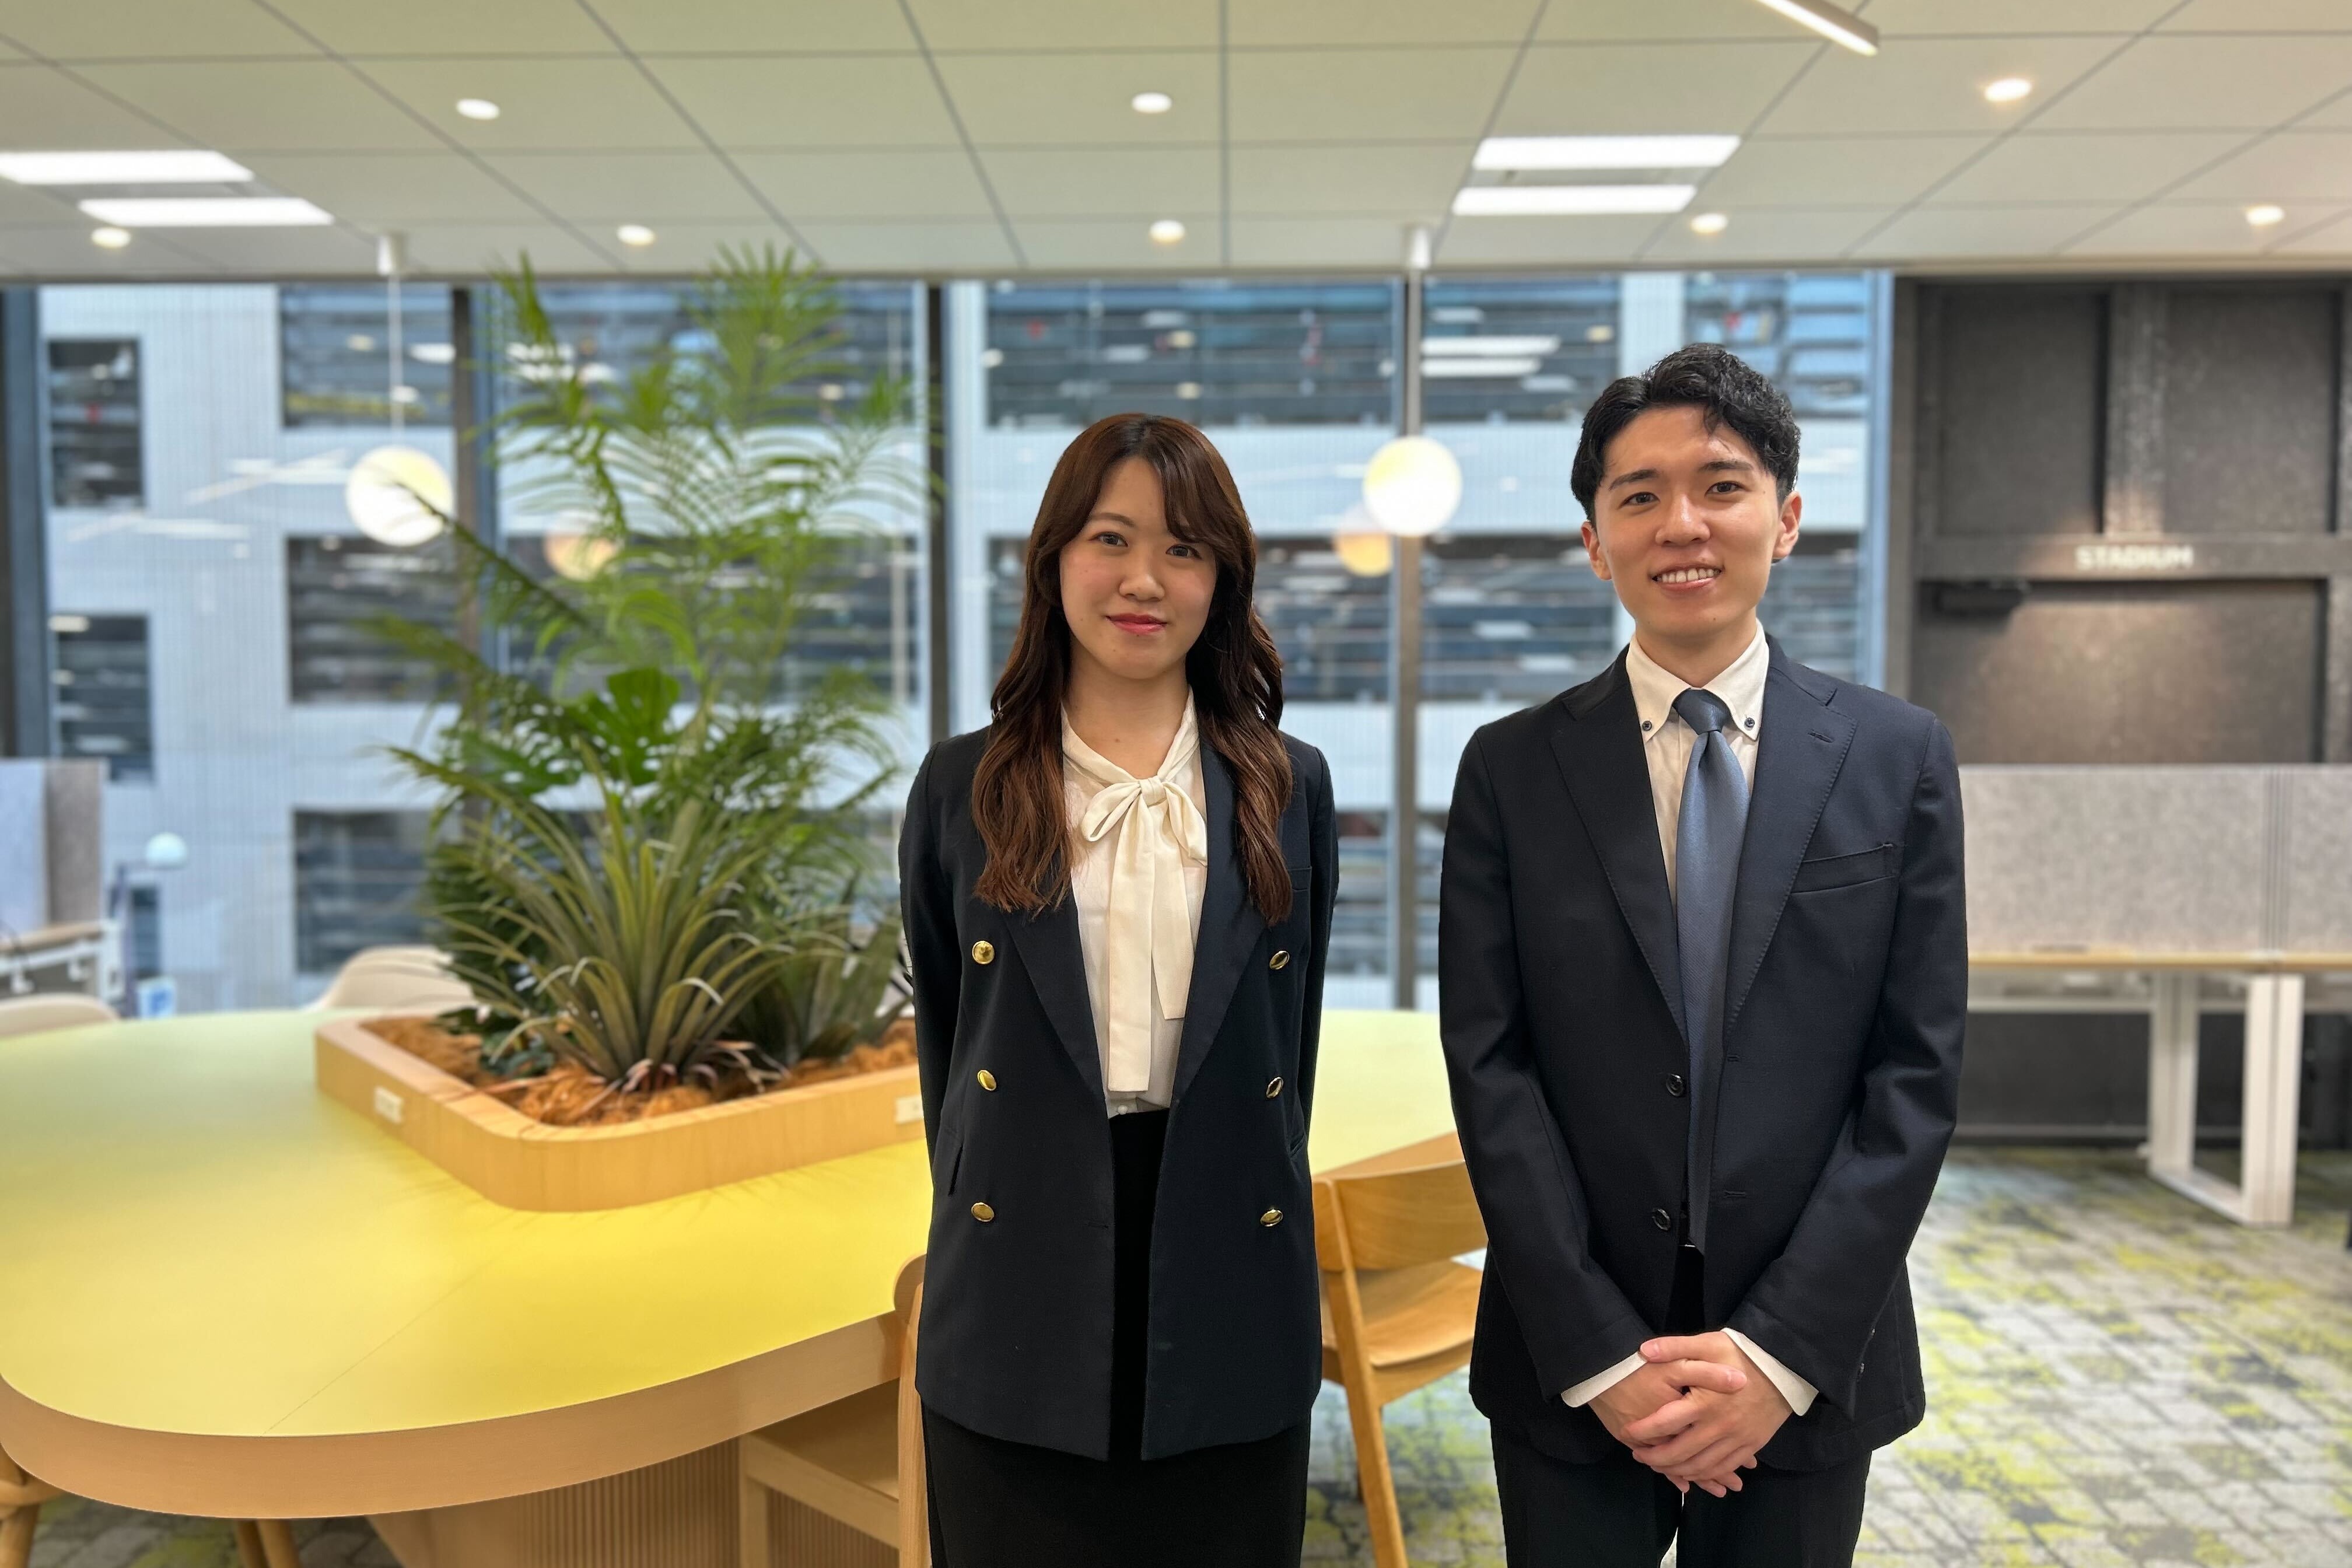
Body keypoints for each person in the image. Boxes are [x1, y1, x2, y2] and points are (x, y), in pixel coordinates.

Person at [1438, 344, 1966, 1567]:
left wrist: (1776, 1356)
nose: (1682, 524)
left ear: (1786, 519)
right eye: (1640, 495)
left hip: (1807, 1348)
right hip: (1576, 1348)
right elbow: (1491, 1068)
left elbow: (1915, 1077)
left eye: (1722, 487)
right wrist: (1600, 1354)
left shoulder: (1896, 757)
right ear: (1595, 540)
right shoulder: (1512, 769)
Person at [898, 412, 1338, 1567]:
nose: (1146, 579)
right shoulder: (961, 786)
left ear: (1222, 580)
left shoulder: (1288, 785)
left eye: (1185, 548)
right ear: (1052, 560)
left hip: (1229, 1249)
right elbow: (951, 1043)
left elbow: (1288, 1048)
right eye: (1112, 539)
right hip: (1020, 1256)